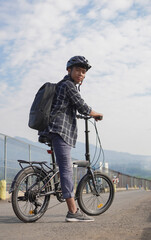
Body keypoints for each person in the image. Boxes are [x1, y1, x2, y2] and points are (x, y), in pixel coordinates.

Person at [44, 56, 103, 222]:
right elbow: (82, 105)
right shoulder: (68, 85)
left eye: (84, 72)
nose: (81, 74)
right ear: (69, 70)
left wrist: (82, 115)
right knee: (66, 170)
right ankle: (72, 211)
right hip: (59, 130)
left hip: (56, 129)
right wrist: (96, 113)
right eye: (78, 70)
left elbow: (66, 108)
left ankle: (65, 197)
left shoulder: (64, 86)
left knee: (64, 167)